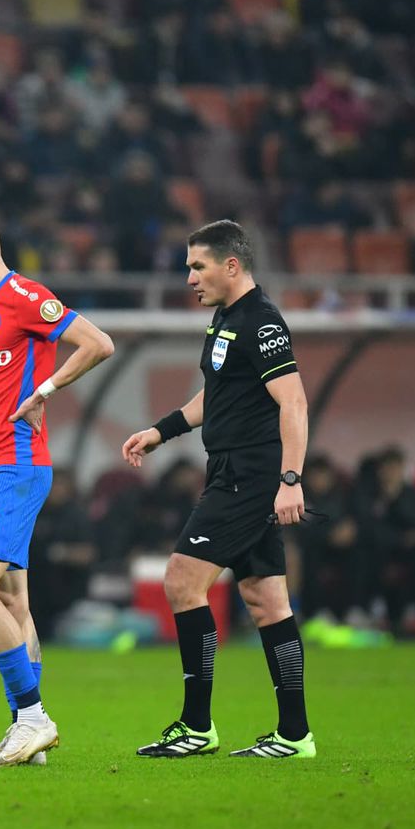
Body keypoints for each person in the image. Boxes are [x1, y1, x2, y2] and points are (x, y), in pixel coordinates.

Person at [122, 219, 316, 759]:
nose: (190, 277)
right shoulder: (225, 319)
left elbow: (294, 402)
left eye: (198, 266)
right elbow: (214, 398)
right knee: (266, 600)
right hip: (230, 470)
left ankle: (196, 726)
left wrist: (290, 479)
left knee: (182, 581)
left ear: (232, 265)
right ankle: (295, 736)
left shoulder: (262, 321)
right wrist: (160, 431)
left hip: (249, 478)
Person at [0, 206, 115, 766]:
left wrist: (48, 389)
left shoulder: (26, 295)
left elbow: (98, 342)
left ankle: (34, 718)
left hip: (15, 466)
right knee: (12, 598)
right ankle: (26, 736)